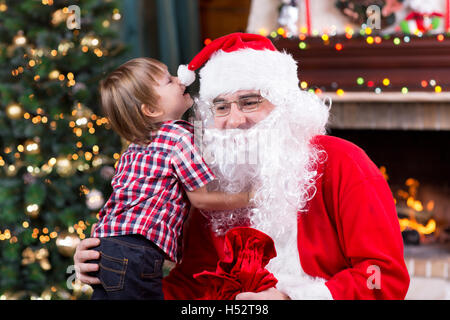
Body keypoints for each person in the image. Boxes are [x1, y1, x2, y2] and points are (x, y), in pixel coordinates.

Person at [75, 33, 410, 300]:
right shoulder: (214, 181)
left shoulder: (342, 162)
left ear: (285, 104)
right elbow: (192, 284)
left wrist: (292, 298)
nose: (234, 121)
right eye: (221, 107)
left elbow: (382, 276)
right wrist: (110, 276)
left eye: (250, 101)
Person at [88, 57, 253, 300]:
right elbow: (202, 200)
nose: (179, 80)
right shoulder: (179, 136)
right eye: (169, 80)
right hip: (137, 253)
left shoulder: (134, 148)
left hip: (106, 246)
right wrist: (249, 196)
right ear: (151, 109)